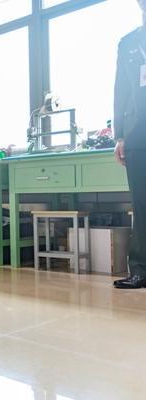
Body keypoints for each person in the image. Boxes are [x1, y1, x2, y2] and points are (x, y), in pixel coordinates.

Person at [113, 0, 146, 289]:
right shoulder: (128, 44)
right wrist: (120, 135)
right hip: (137, 133)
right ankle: (140, 270)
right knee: (141, 205)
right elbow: (120, 90)